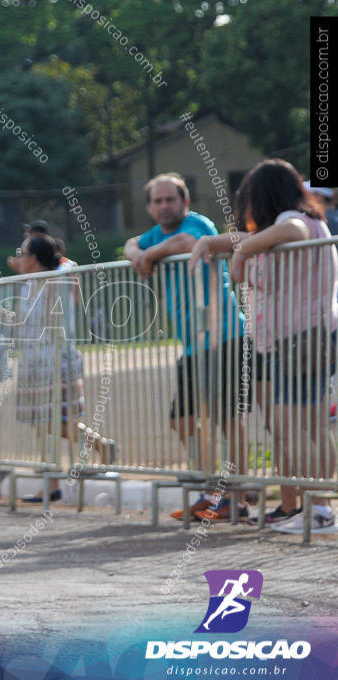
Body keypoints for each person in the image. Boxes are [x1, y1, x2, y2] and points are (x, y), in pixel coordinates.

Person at [191, 160, 338, 532]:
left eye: (250, 199)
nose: (247, 209)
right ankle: (319, 508)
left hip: (299, 338)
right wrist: (212, 243)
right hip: (305, 336)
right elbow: (246, 238)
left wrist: (242, 253)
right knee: (312, 426)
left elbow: (290, 231)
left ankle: (318, 509)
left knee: (296, 426)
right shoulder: (289, 226)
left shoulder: (295, 221)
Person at [124, 172, 248, 522]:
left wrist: (150, 254)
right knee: (183, 421)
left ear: (185, 202)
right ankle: (211, 489)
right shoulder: (154, 235)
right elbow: (131, 243)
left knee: (227, 420)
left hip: (224, 335)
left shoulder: (198, 224)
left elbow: (184, 244)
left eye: (171, 200)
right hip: (193, 345)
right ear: (150, 207)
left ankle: (233, 495)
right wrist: (138, 254)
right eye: (158, 201)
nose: (165, 206)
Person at [12, 233, 102, 503]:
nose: (19, 259)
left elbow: (54, 320)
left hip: (55, 357)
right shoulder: (28, 283)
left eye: (23, 253)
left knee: (55, 420)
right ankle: (52, 482)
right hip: (33, 359)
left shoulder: (56, 280)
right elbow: (20, 320)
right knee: (41, 423)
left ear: (35, 258)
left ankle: (97, 448)